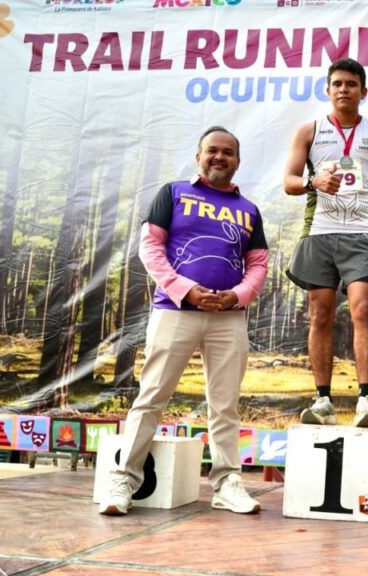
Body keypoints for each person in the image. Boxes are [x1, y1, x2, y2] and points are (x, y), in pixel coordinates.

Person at [99, 126, 268, 516]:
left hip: (229, 318)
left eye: (227, 152)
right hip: (175, 311)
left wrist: (238, 296)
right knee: (151, 397)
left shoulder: (249, 210)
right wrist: (185, 290)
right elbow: (150, 247)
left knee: (225, 406)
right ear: (198, 156)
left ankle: (227, 484)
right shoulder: (173, 193)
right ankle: (123, 481)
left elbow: (258, 264)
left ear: (238, 161)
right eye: (212, 150)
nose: (219, 157)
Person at [283, 58, 368, 428]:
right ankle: (323, 401)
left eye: (351, 84)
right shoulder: (309, 131)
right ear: (328, 90)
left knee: (362, 309)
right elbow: (289, 181)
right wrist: (313, 182)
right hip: (319, 231)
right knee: (320, 313)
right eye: (337, 84)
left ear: (364, 91)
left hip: (361, 233)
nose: (344, 90)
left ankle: (365, 401)